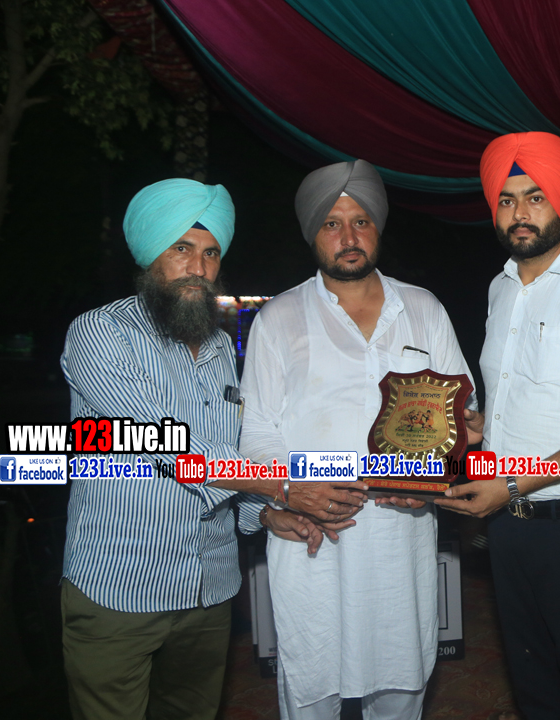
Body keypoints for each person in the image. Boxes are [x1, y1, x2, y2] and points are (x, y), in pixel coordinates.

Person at [59, 179, 359, 720]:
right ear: (150, 255)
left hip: (209, 589)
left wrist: (263, 514)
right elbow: (164, 441)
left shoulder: (221, 346)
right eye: (182, 249)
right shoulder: (100, 334)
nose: (198, 268)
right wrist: (285, 487)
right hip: (119, 586)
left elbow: (228, 450)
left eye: (211, 253)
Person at [238, 160, 479, 720]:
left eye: (361, 221)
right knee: (312, 688)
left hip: (401, 540)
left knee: (401, 686)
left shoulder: (422, 308)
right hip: (313, 541)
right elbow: (256, 435)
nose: (348, 237)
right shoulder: (279, 318)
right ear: (312, 234)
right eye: (332, 223)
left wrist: (434, 480)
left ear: (378, 228)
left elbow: (463, 418)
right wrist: (292, 491)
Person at [436, 131, 560, 720]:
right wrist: (477, 428)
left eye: (535, 197)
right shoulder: (500, 288)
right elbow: (516, 400)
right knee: (534, 688)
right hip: (509, 529)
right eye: (507, 200)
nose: (520, 212)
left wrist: (511, 483)